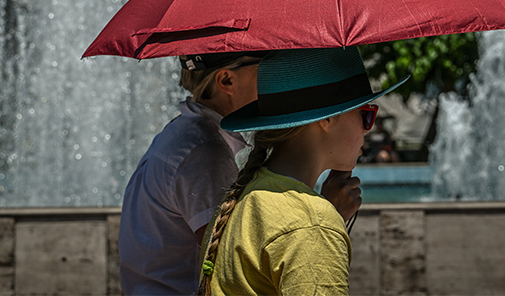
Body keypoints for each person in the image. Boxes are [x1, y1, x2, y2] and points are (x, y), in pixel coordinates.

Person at [118, 51, 363, 295]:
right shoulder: (206, 152)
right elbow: (234, 256)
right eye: (265, 67)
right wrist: (325, 217)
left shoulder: (188, 137)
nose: (274, 77)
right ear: (226, 81)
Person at [198, 47, 409, 296]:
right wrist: (322, 224)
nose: (368, 130)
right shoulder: (309, 225)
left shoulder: (246, 195)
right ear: (327, 118)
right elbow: (300, 234)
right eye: (366, 114)